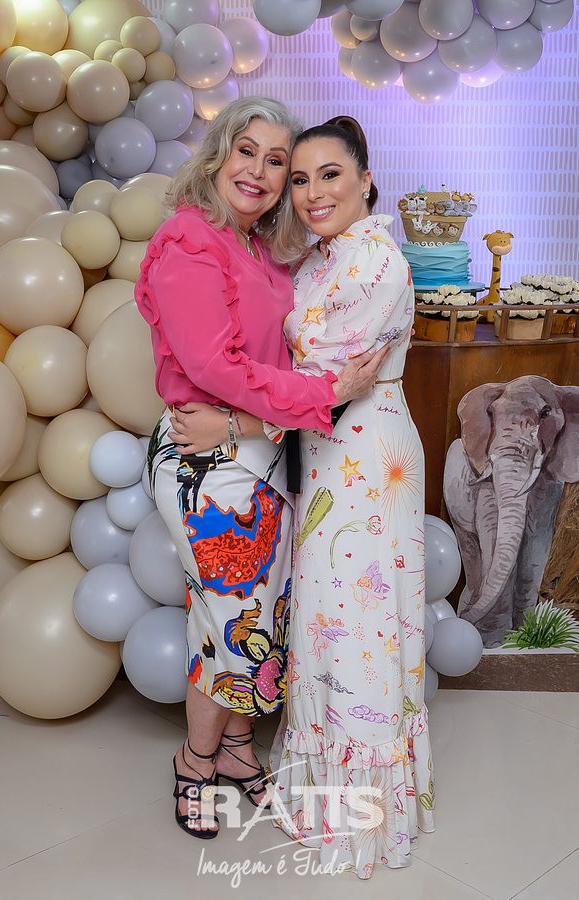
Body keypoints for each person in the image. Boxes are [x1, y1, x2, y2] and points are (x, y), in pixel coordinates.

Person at [169, 116, 435, 876]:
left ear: (366, 180)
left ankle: (364, 816)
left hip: (364, 462)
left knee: (359, 631)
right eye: (301, 178)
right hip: (319, 459)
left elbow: (327, 387)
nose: (313, 191)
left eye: (330, 174)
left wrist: (230, 422)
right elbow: (300, 381)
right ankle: (317, 790)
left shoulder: (375, 262)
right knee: (322, 627)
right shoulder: (318, 257)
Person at [134, 98, 390, 840]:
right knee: (231, 621)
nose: (260, 171)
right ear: (217, 153)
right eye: (247, 150)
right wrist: (324, 394)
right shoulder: (190, 239)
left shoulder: (253, 245)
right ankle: (194, 760)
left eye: (277, 161)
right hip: (208, 461)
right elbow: (215, 366)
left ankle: (238, 747)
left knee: (260, 614)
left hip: (262, 447)